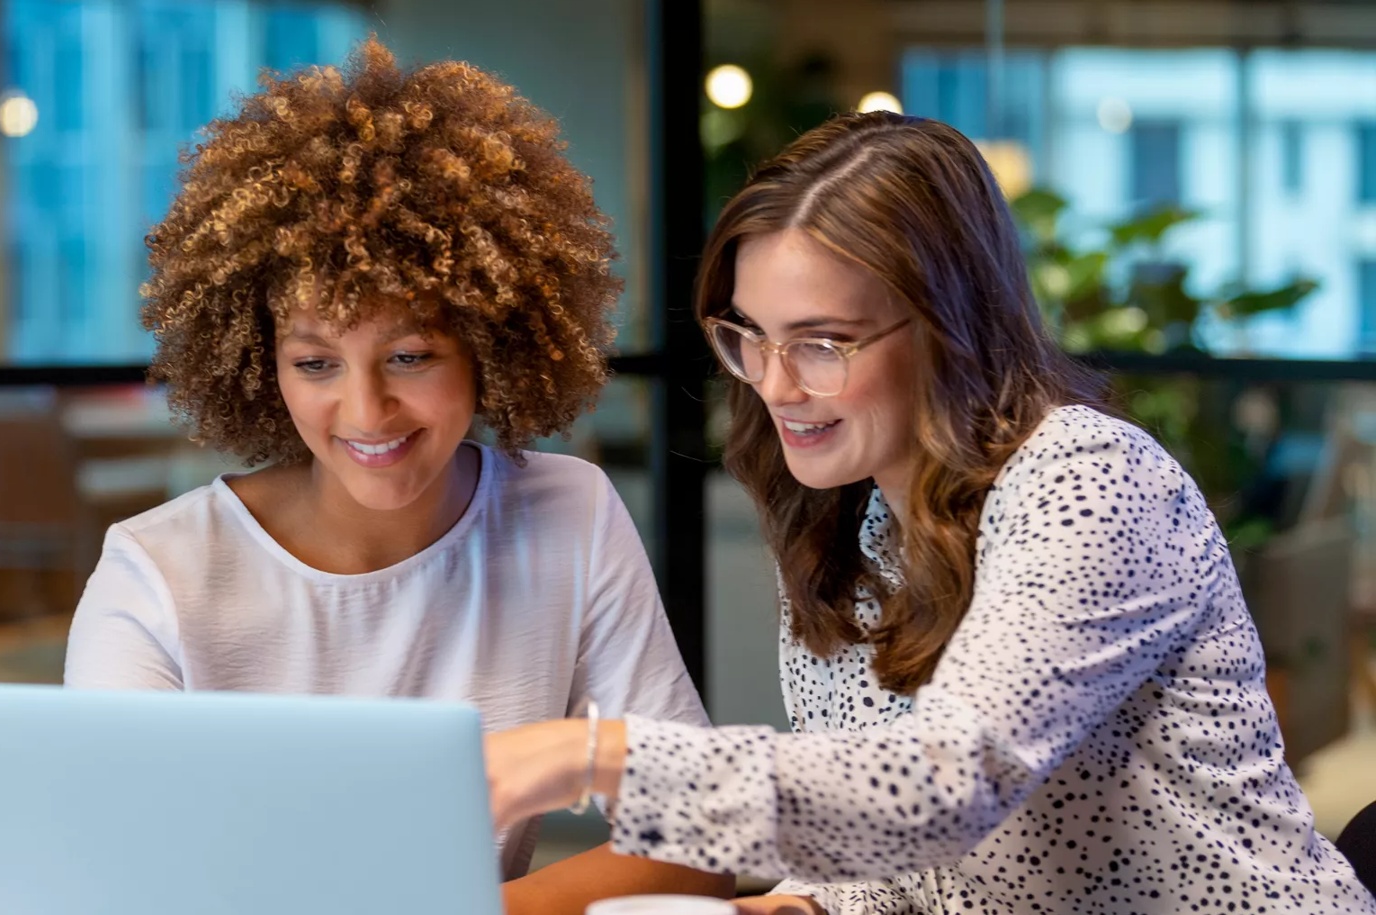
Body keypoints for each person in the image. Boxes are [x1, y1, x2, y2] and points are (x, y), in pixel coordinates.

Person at [482, 111, 1376, 915]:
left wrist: (593, 754)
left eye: (822, 343)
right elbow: (883, 853)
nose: (774, 384)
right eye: (749, 334)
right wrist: (790, 909)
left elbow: (946, 786)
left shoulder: (1091, 481)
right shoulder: (861, 525)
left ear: (950, 324)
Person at [62, 37, 733, 914]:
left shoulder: (566, 515)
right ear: (261, 363)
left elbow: (700, 843)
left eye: (410, 355)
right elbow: (107, 877)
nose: (368, 412)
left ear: (490, 346)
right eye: (315, 364)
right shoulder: (157, 572)